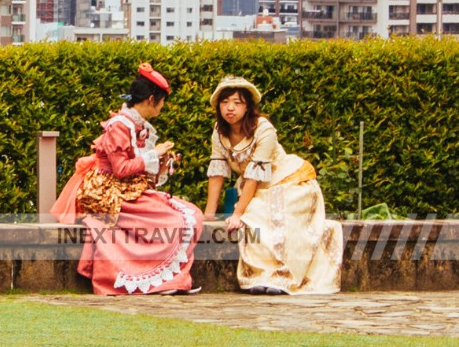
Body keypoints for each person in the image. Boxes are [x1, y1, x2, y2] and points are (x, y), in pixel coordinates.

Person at [51, 63, 203, 295]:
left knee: (188, 215)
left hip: (128, 189)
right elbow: (121, 169)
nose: (163, 107)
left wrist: (161, 162)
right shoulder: (120, 126)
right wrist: (156, 154)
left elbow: (136, 169)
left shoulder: (135, 125)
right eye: (162, 101)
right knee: (173, 221)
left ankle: (166, 280)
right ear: (152, 99)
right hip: (107, 190)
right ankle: (154, 281)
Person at [204, 75, 343, 295]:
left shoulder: (263, 129)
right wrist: (208, 216)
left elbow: (255, 177)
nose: (230, 108)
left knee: (256, 213)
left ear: (248, 106)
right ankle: (262, 275)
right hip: (260, 190)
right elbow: (217, 172)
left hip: (293, 183)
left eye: (237, 103)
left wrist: (238, 213)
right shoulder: (219, 132)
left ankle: (282, 277)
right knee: (256, 211)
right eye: (225, 102)